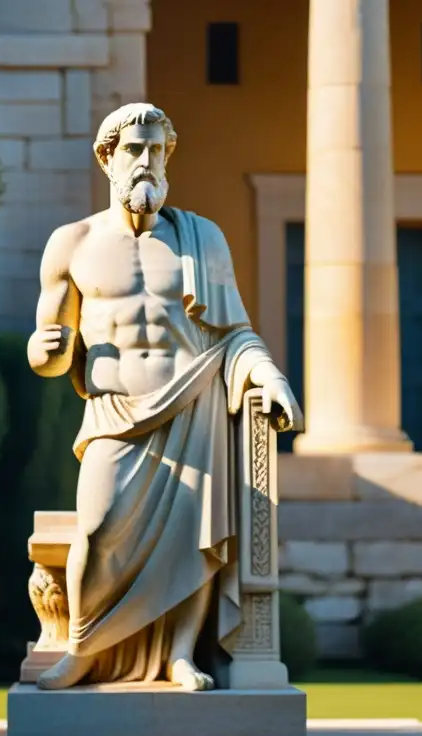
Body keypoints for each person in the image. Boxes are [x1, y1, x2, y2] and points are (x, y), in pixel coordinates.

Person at [27, 103, 302, 691]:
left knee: (191, 542)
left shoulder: (201, 239)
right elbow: (49, 351)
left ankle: (181, 655)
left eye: (156, 149)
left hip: (192, 404)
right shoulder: (71, 242)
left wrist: (269, 375)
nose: (146, 160)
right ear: (107, 159)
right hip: (114, 413)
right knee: (98, 530)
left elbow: (235, 333)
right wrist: (45, 349)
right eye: (134, 149)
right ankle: (81, 648)